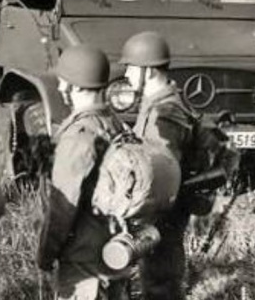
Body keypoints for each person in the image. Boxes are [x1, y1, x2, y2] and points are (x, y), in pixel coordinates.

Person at [37, 45, 130, 300]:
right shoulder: (117, 124)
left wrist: (45, 256)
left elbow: (62, 207)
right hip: (116, 249)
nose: (60, 88)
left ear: (74, 86)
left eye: (63, 82)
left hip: (84, 260)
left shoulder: (80, 136)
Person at [119, 31, 205, 300]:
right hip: (169, 204)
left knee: (159, 279)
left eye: (131, 68)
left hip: (162, 209)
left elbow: (160, 174)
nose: (128, 75)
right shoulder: (163, 101)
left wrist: (141, 218)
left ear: (148, 70)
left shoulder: (164, 112)